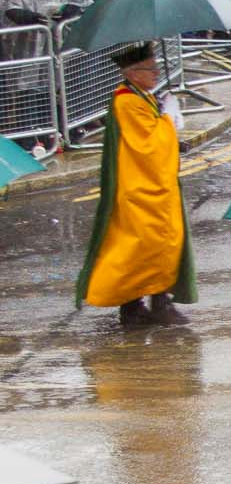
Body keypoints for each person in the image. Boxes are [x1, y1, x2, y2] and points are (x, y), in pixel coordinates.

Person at [74, 44, 197, 326]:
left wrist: (162, 112)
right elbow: (148, 146)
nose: (156, 73)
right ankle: (137, 306)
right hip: (139, 190)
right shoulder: (126, 101)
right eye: (150, 69)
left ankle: (157, 300)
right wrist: (168, 120)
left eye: (156, 68)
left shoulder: (142, 96)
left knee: (161, 245)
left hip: (154, 187)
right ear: (133, 73)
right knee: (141, 249)